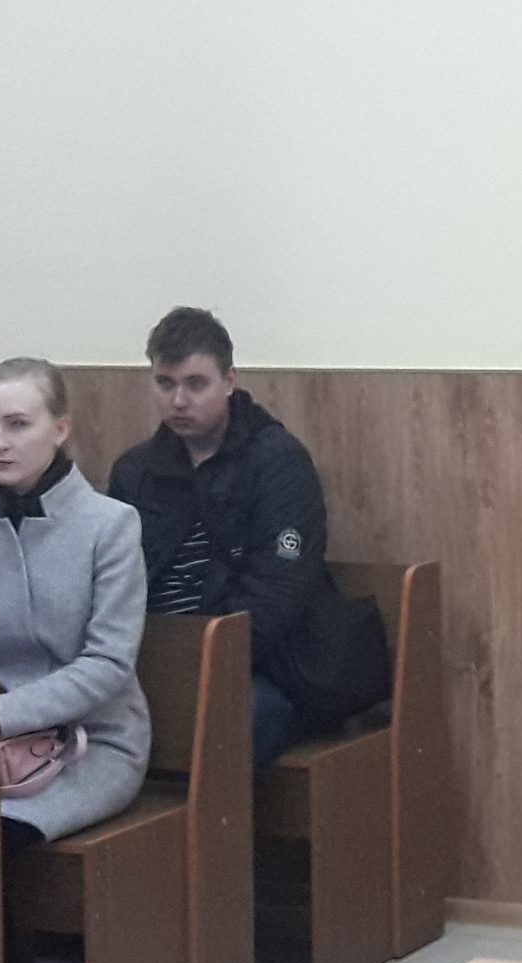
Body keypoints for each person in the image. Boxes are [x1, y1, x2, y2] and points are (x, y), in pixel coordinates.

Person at [0, 358, 152, 963]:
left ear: (60, 429)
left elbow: (107, 665)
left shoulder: (110, 525)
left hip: (96, 742)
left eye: (18, 424)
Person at [105, 308, 392, 770]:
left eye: (195, 384)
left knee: (231, 723)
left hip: (267, 669)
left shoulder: (278, 463)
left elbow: (277, 591)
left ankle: (203, 819)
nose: (178, 400)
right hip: (154, 660)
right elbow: (113, 578)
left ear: (229, 381)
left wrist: (204, 659)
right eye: (165, 383)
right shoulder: (135, 471)